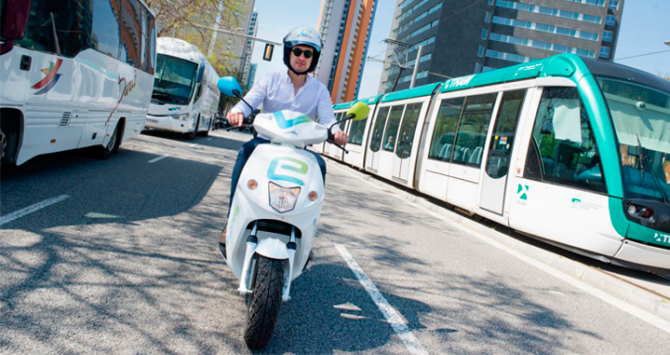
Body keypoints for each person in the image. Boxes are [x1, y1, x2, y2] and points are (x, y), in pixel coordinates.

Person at [219, 26, 348, 250]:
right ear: (288, 53)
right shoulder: (270, 80)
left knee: (319, 163)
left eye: (308, 54)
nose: (301, 57)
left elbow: (328, 118)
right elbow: (249, 101)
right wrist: (237, 112)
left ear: (313, 59)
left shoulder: (320, 91)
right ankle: (231, 218)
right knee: (247, 150)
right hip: (264, 144)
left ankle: (308, 233)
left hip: (299, 149)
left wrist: (336, 131)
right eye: (297, 51)